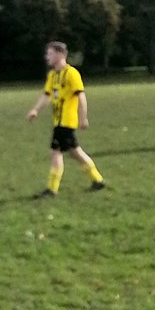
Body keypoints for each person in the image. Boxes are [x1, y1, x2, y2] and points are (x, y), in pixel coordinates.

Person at [27, 41, 106, 198]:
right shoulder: (52, 75)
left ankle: (52, 189)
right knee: (75, 152)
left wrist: (83, 118)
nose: (47, 57)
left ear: (60, 54)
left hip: (66, 121)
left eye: (50, 53)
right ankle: (97, 180)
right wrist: (36, 109)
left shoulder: (71, 73)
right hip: (58, 121)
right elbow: (47, 95)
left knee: (55, 152)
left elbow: (81, 95)